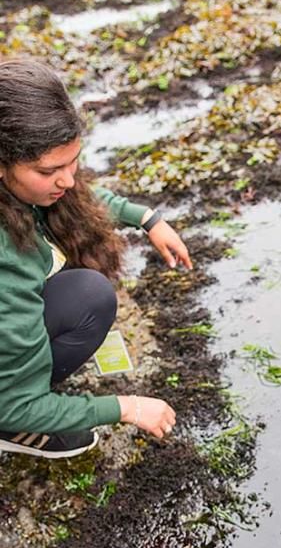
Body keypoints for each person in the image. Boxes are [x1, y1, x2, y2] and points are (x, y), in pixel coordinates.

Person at [0, 57, 192, 459]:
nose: (68, 180)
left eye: (73, 161)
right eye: (49, 170)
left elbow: (79, 197)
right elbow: (13, 400)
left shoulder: (26, 190)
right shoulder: (6, 258)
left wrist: (146, 218)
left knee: (85, 288)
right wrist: (126, 407)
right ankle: (10, 431)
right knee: (90, 297)